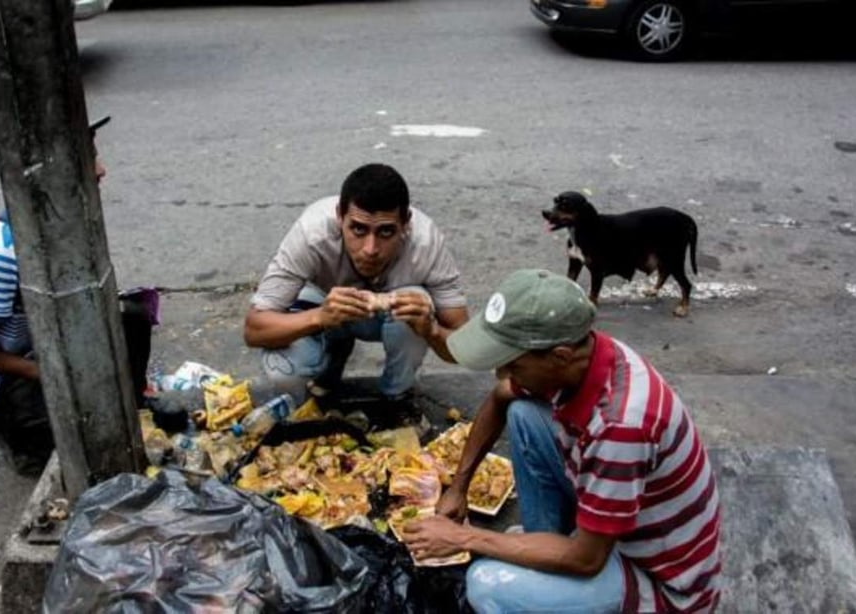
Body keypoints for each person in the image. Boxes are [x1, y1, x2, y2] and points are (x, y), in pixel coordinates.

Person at [404, 269, 722, 613]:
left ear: (559, 357)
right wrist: (459, 486)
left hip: (660, 583)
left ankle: (548, 571)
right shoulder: (584, 355)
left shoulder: (620, 427)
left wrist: (464, 537)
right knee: (523, 413)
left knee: (487, 585)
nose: (501, 373)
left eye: (512, 364)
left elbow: (586, 560)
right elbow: (499, 397)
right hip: (619, 525)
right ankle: (544, 548)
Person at [0, 116, 155, 476]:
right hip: (6, 382)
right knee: (83, 446)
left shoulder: (64, 224)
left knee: (133, 316)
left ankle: (132, 411)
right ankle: (26, 443)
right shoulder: (3, 253)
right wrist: (47, 374)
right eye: (89, 161)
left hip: (42, 346)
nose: (101, 170)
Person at [243, 163, 469, 405]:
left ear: (406, 223)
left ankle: (396, 395)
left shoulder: (426, 243)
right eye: (358, 230)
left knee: (414, 302)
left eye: (385, 232)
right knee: (282, 369)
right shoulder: (311, 234)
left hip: (388, 320)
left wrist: (431, 330)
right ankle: (330, 362)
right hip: (322, 303)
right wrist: (320, 317)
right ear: (340, 216)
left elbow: (465, 347)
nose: (370, 249)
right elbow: (254, 330)